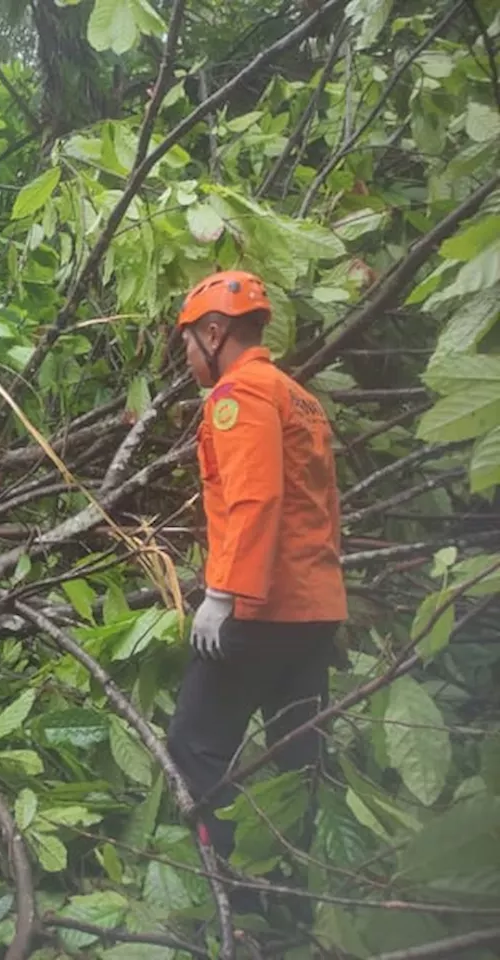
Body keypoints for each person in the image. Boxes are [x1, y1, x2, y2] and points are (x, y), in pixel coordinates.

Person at [166, 270, 347, 894]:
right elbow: (321, 508)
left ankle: (238, 893)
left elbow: (256, 499)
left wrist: (222, 596)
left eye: (189, 342)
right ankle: (298, 897)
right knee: (297, 762)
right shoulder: (298, 396)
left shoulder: (237, 396)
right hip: (313, 608)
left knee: (194, 746)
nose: (188, 356)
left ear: (214, 333)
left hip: (260, 609)